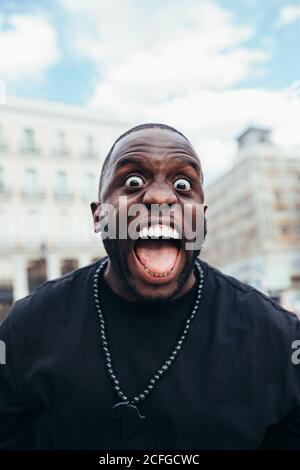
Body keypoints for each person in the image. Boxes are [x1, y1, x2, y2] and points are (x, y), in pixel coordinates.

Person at [0, 123, 300, 450]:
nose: (160, 196)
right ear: (99, 216)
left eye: (184, 184)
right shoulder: (25, 327)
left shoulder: (279, 338)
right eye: (133, 181)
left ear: (202, 218)